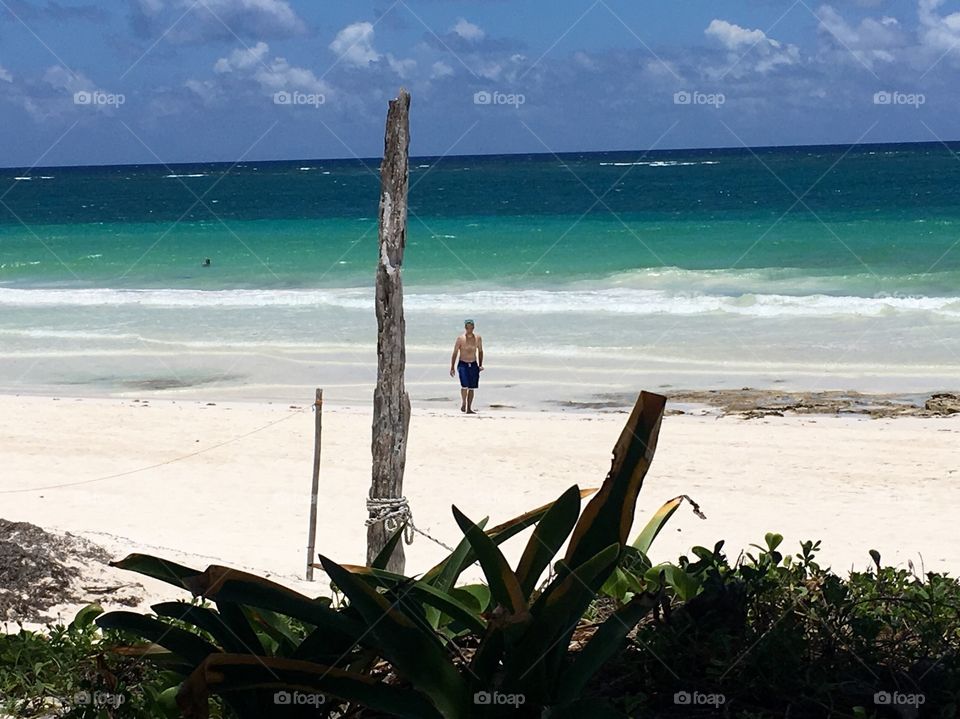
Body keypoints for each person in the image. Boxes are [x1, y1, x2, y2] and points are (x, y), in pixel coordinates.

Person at [450, 319, 484, 414]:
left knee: (472, 387)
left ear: (473, 327)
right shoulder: (460, 339)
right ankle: (464, 402)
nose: (469, 329)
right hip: (463, 364)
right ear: (465, 328)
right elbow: (455, 352)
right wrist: (452, 367)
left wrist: (480, 365)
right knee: (464, 385)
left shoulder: (478, 338)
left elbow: (480, 351)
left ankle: (469, 408)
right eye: (467, 327)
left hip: (473, 364)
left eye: (471, 327)